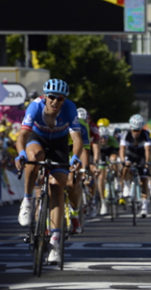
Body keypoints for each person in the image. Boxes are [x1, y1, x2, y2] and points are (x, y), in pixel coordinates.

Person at [14, 79, 83, 264]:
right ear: (45, 97)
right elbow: (22, 135)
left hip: (59, 144)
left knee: (57, 189)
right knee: (35, 156)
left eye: (59, 99)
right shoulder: (35, 107)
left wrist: (75, 157)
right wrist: (21, 153)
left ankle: (55, 241)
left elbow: (77, 138)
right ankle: (28, 200)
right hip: (38, 138)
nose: (55, 102)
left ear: (64, 100)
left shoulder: (69, 108)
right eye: (51, 97)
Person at [119, 114, 151, 218]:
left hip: (141, 155)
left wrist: (147, 162)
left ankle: (144, 205)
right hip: (130, 154)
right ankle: (126, 186)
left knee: (144, 179)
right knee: (126, 166)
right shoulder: (126, 133)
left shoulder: (146, 134)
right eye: (134, 130)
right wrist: (123, 160)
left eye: (139, 130)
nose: (136, 133)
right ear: (131, 128)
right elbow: (122, 149)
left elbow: (147, 150)